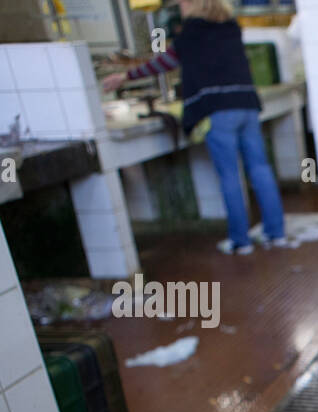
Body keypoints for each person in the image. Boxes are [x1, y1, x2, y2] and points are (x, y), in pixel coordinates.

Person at [102, 0, 286, 255]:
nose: (179, 7)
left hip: (218, 111)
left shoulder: (191, 32)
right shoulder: (231, 27)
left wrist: (125, 76)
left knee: (230, 176)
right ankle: (276, 234)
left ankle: (240, 242)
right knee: (260, 169)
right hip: (247, 104)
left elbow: (164, 63)